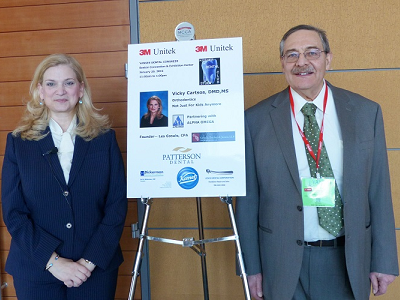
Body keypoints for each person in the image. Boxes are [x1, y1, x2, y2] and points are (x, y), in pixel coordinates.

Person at [236, 25, 398, 300]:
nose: (302, 62)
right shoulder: (255, 120)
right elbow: (248, 200)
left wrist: (383, 260)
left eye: (312, 53)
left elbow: (378, 189)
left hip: (347, 259)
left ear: (328, 59)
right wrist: (250, 267)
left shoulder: (365, 112)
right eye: (292, 55)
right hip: (281, 262)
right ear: (282, 63)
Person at [1, 54, 127, 300]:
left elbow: (117, 206)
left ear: (80, 89)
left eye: (69, 83)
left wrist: (88, 263)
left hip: (95, 270)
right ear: (40, 91)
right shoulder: (19, 143)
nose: (60, 90)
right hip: (35, 267)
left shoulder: (105, 140)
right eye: (51, 84)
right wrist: (54, 262)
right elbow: (14, 213)